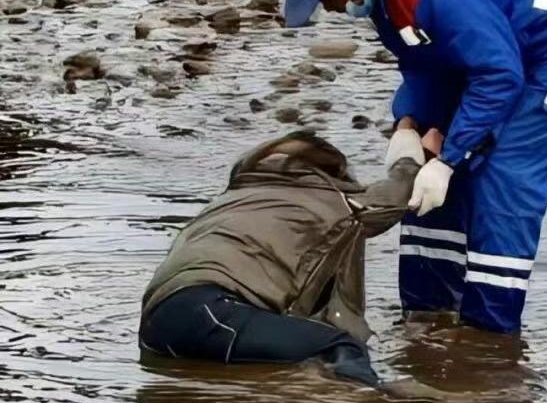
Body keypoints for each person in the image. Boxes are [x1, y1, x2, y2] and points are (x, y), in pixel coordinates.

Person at [279, 0, 547, 334]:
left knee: (505, 170)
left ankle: (489, 338)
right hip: (500, 30)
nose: (330, 7)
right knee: (427, 173)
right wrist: (410, 124)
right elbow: (425, 59)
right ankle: (426, 316)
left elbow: (499, 76)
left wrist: (448, 160)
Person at [139, 131, 420, 389]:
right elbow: (393, 199)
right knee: (339, 348)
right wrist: (412, 156)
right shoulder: (329, 198)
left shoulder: (232, 197)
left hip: (157, 325)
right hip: (214, 315)